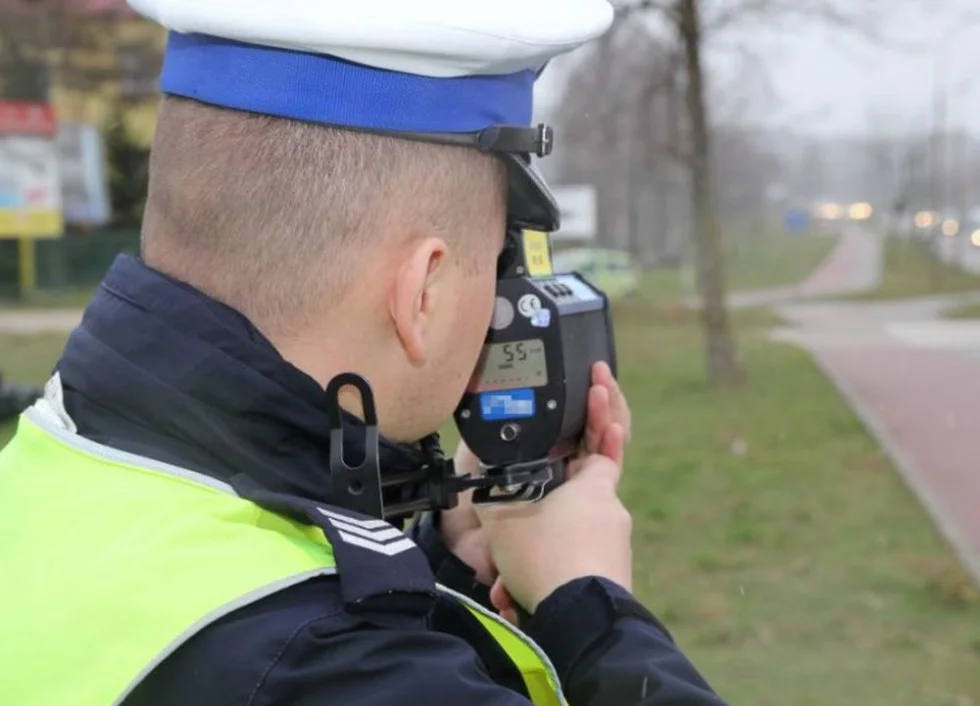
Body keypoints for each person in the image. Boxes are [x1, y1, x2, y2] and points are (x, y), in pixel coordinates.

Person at [0, 0, 728, 704]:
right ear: (423, 291)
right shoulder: (331, 666)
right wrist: (592, 611)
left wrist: (446, 563)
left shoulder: (51, 472)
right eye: (497, 261)